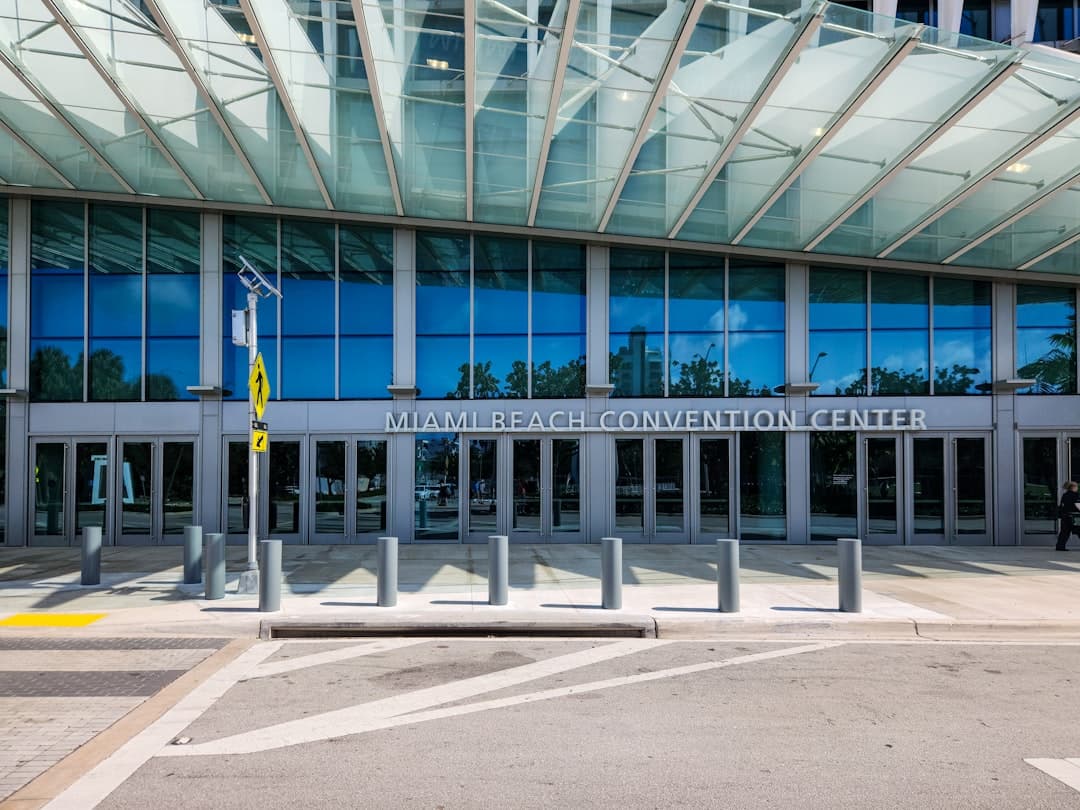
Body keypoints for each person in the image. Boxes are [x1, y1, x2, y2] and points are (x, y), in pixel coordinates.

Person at [1056, 481, 1080, 551]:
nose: (1077, 488)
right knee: (1078, 530)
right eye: (1076, 487)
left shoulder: (1065, 495)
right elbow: (1077, 505)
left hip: (1065, 515)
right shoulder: (1076, 495)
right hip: (1074, 516)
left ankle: (1060, 546)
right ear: (1073, 487)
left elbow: (1062, 505)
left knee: (1064, 532)